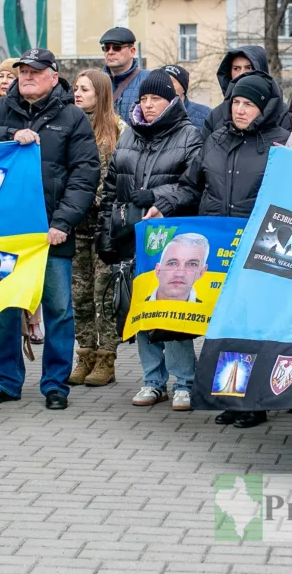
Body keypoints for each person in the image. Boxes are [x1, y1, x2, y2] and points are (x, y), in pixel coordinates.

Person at [0, 48, 101, 411]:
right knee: (5, 307)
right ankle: (6, 382)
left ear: (54, 77)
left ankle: (55, 385)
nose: (27, 77)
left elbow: (84, 176)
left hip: (50, 232)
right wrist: (9, 133)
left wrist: (63, 222)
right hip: (3, 232)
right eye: (22, 71)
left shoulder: (72, 118)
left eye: (35, 72)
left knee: (58, 309)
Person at [97, 68, 202, 412]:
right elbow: (111, 189)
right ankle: (152, 380)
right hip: (134, 236)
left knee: (172, 309)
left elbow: (193, 185)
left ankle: (184, 382)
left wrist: (156, 196)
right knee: (141, 307)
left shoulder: (189, 135)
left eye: (156, 98)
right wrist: (107, 233)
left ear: (172, 101)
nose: (149, 104)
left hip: (172, 236)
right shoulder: (129, 136)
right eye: (144, 98)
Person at [66, 69, 125, 389]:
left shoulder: (117, 129)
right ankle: (85, 353)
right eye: (75, 88)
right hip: (77, 225)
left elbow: (119, 178)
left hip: (105, 225)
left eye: (85, 89)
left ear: (100, 93)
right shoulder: (71, 125)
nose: (77, 93)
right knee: (81, 295)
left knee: (104, 294)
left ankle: (107, 356)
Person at [200, 47, 286, 138]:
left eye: (248, 68)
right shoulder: (215, 116)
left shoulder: (281, 113)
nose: (242, 74)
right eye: (236, 68)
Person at [100, 27, 152, 125]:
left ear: (132, 51)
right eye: (106, 48)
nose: (110, 52)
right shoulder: (95, 82)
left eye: (117, 47)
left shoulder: (149, 79)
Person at [148, 234, 209, 301]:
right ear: (158, 270)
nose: (180, 274)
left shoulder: (213, 311)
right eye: (172, 263)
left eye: (192, 264)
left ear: (202, 272)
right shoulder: (136, 305)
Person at [163, 64, 211, 129]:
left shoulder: (207, 115)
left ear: (183, 88)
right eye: (162, 82)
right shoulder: (149, 115)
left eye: (171, 82)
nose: (166, 85)